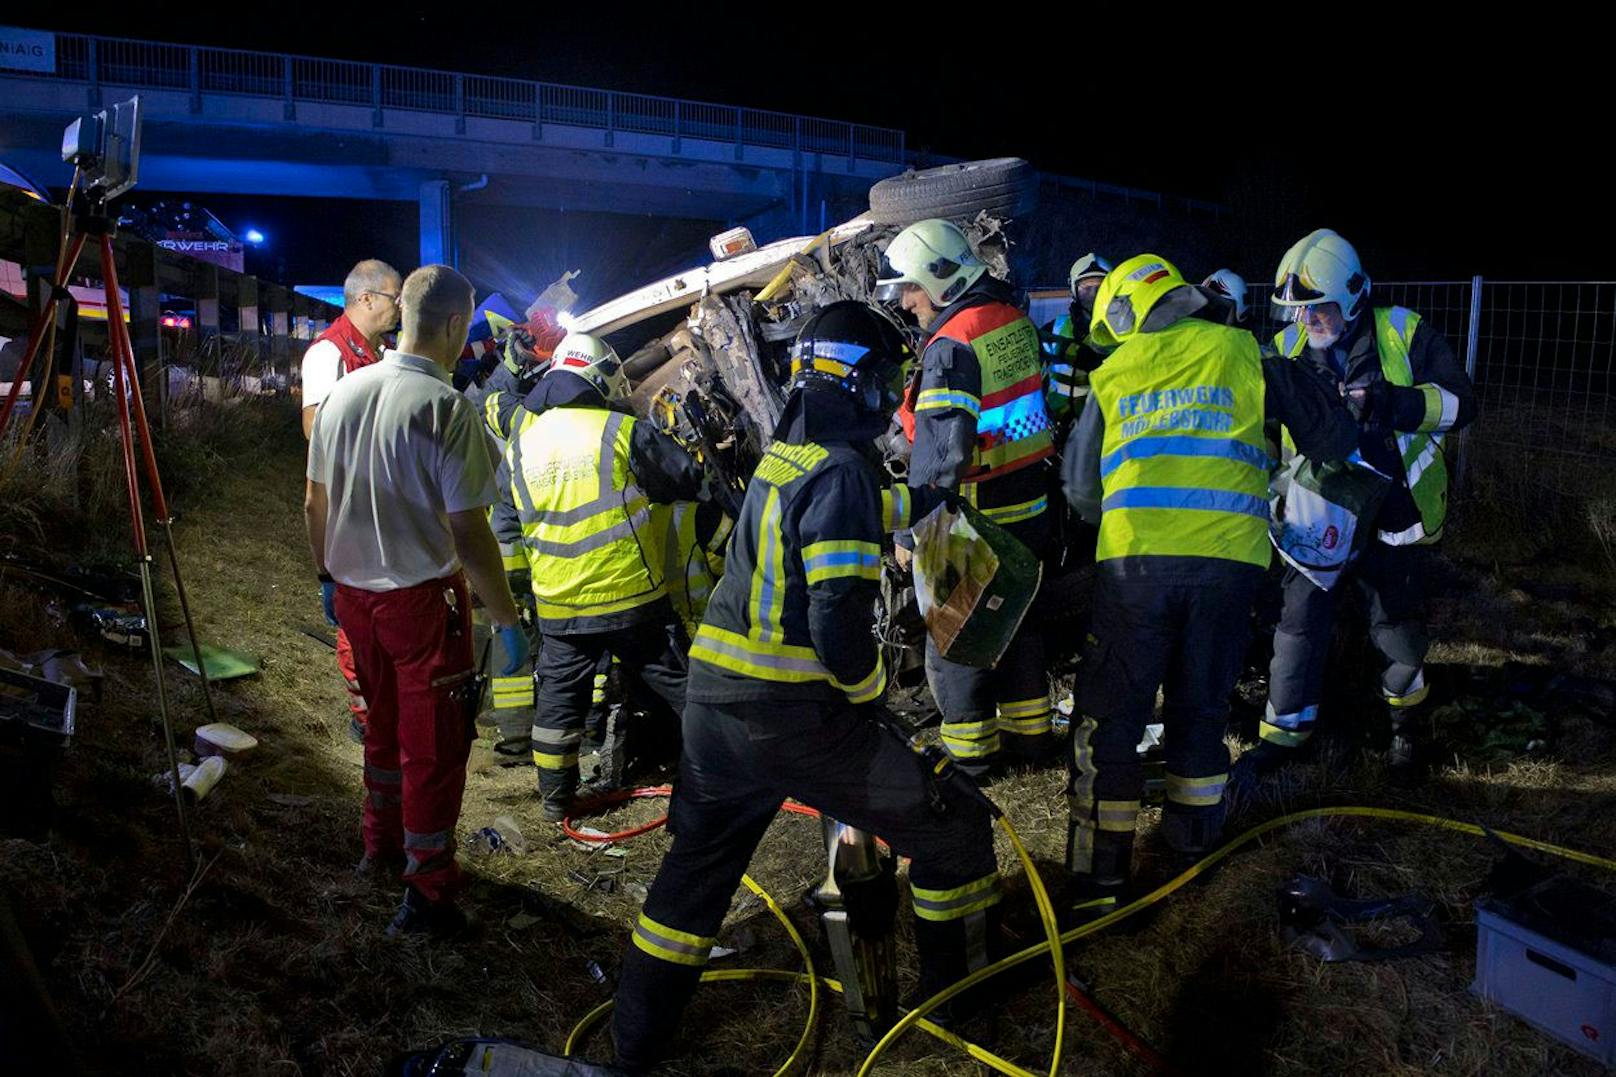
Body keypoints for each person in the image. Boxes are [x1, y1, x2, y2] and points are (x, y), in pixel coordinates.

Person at [610, 302, 997, 1073]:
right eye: (886, 380)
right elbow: (838, 627)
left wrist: (930, 496)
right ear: (857, 381)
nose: (890, 396)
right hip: (791, 722)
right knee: (952, 826)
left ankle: (632, 1046)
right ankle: (957, 1011)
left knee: (691, 884)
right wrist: (872, 690)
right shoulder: (844, 470)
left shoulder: (791, 452)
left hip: (714, 712)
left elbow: (864, 507)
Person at [1060, 254, 1357, 910]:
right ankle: (1191, 852)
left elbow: (1081, 492)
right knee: (1201, 710)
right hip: (1230, 570)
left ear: (1124, 316)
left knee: (1113, 720)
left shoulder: (1113, 374)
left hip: (1134, 572)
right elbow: (1335, 438)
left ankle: (1100, 881)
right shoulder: (1251, 356)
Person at [305, 264, 528, 936]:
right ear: (458, 326)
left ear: (401, 312)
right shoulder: (447, 410)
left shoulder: (344, 394)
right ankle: (427, 893)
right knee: (432, 748)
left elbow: (314, 499)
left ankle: (380, 848)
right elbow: (468, 529)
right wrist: (508, 618)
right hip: (421, 603)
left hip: (354, 598)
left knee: (381, 729)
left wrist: (326, 573)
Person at [1249, 228, 1476, 773]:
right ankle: (1282, 739)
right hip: (1315, 519)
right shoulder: (1286, 348)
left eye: (1319, 309)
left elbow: (1460, 404)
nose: (1307, 323)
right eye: (1297, 312)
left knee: (1395, 627)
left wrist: (1392, 404)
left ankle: (1406, 730)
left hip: (1394, 518)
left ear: (1352, 295)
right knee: (1297, 623)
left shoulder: (1403, 332)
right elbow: (1265, 427)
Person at [876, 219, 1058, 772]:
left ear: (941, 278)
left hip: (973, 518)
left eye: (909, 288)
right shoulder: (1012, 322)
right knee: (1019, 627)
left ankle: (972, 764)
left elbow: (941, 454)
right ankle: (1031, 741)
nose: (906, 304)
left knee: (955, 644)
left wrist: (911, 531)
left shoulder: (951, 346)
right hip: (1031, 509)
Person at [505, 332, 705, 820]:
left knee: (558, 703)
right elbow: (683, 478)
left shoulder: (522, 443)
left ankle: (555, 802)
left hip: (559, 606)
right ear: (599, 378)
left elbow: (506, 523)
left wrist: (518, 594)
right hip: (630, 596)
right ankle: (714, 777)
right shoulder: (619, 430)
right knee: (684, 687)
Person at [300, 258, 403, 742]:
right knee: (356, 620)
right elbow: (314, 427)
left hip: (379, 502)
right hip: (349, 505)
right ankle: (367, 721)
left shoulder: (377, 351)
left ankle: (383, 708)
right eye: (393, 297)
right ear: (365, 299)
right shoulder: (329, 354)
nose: (399, 306)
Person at [1040, 252, 1115, 425]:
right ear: (1074, 289)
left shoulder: (1122, 331)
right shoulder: (1055, 328)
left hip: (1100, 427)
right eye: (1086, 288)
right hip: (1056, 425)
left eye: (1099, 287)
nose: (1093, 295)